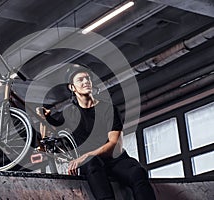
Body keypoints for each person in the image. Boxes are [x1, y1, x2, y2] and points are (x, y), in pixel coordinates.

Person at [36, 64, 156, 200]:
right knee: (92, 163)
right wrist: (43, 119)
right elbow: (46, 139)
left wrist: (86, 155)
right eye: (80, 80)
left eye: (87, 78)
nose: (86, 82)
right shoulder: (69, 113)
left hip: (115, 160)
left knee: (137, 172)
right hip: (92, 164)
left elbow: (114, 145)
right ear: (72, 87)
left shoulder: (108, 109)